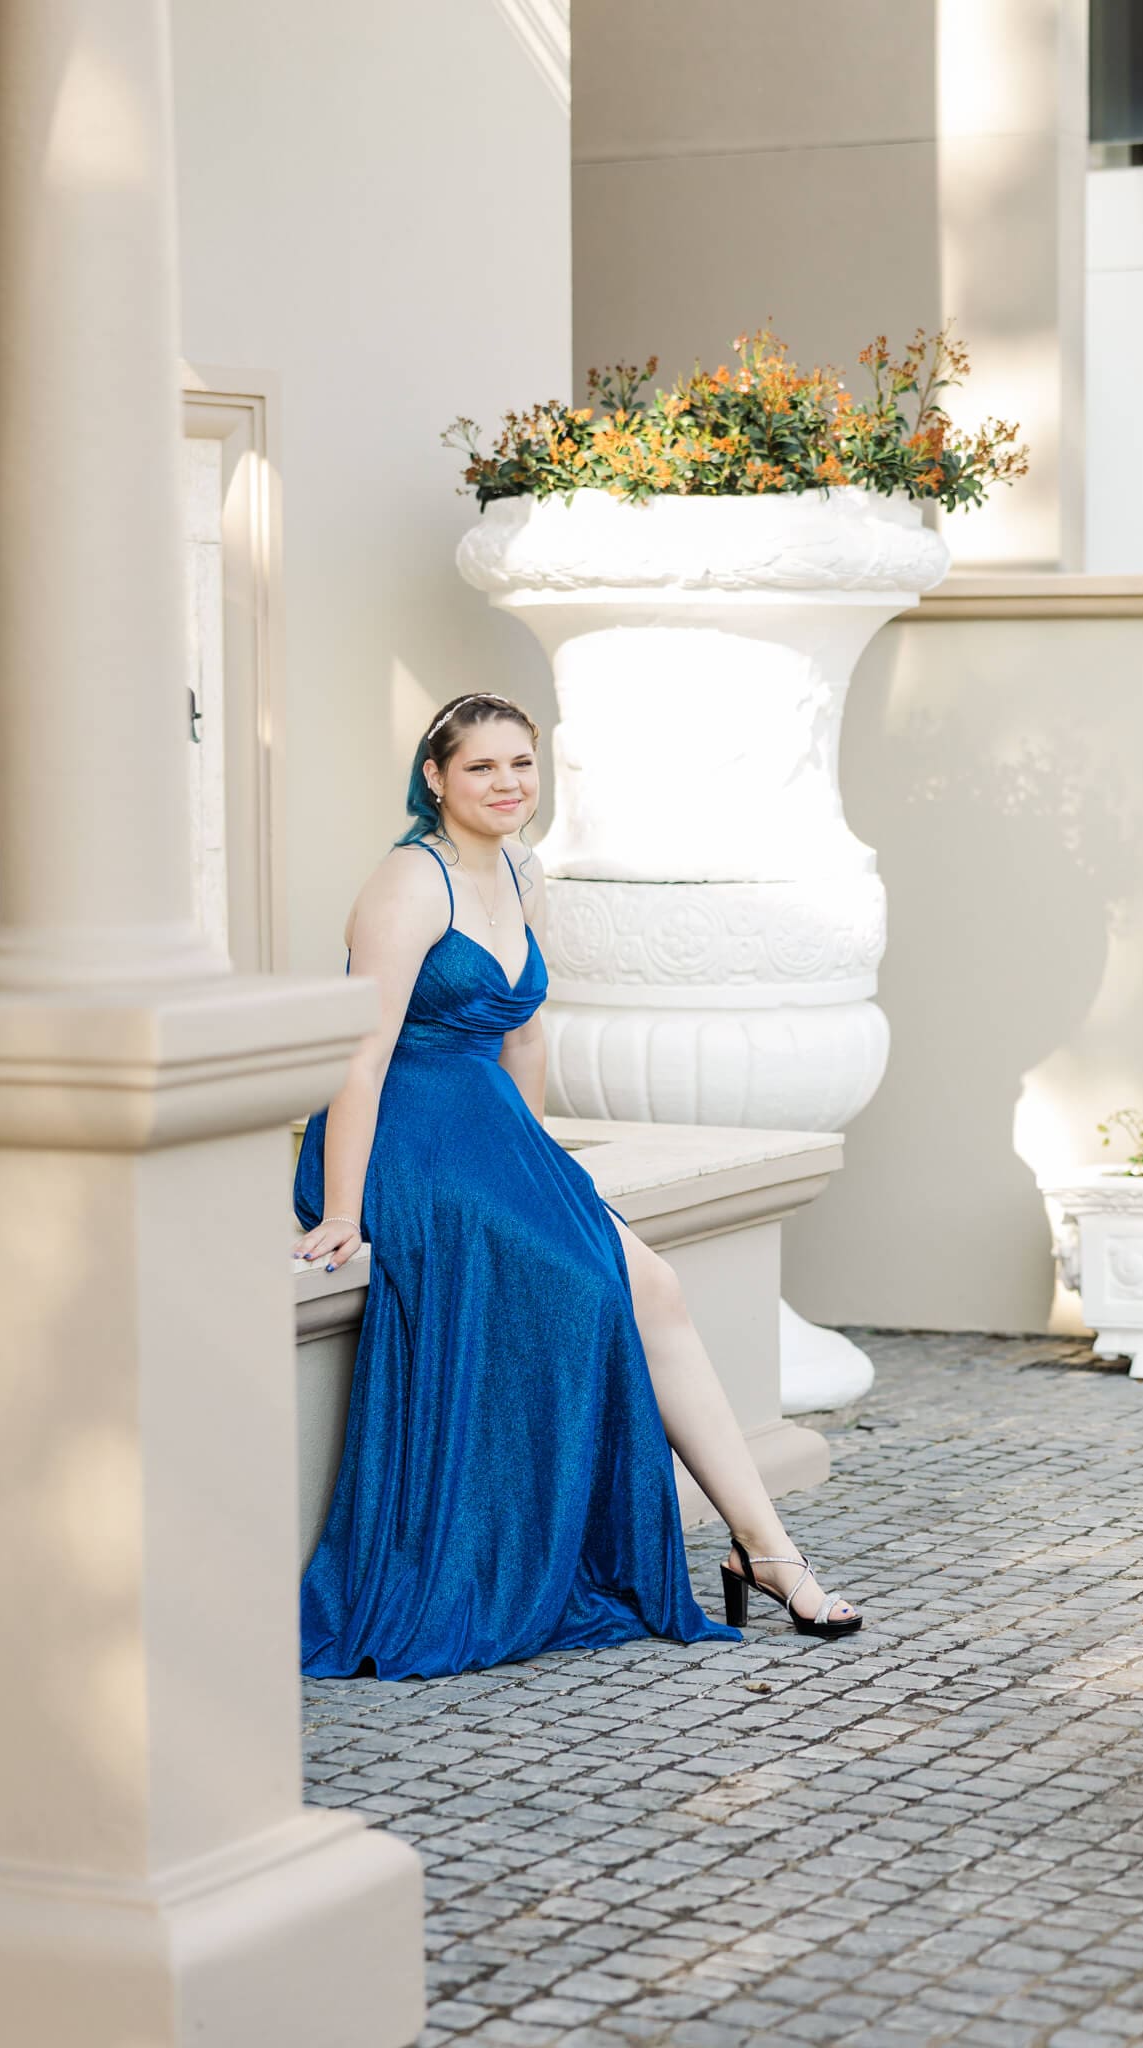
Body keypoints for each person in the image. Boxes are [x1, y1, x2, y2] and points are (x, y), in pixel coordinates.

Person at [293, 691, 861, 1679]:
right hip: (410, 1134)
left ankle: (765, 1550)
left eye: (522, 762)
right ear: (435, 777)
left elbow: (525, 1032)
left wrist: (540, 1158)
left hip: (489, 1129)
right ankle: (745, 1551)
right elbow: (362, 1059)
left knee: (654, 1286)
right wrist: (343, 1209)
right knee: (595, 1284)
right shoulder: (407, 884)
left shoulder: (520, 869)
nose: (508, 783)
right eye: (482, 766)